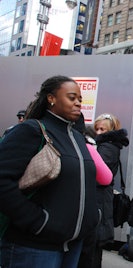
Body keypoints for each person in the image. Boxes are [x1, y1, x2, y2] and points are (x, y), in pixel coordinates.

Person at [0, 75, 99, 267]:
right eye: (72, 98)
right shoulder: (32, 130)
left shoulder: (78, 138)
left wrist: (93, 217)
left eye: (80, 99)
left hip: (72, 246)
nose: (78, 103)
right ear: (51, 98)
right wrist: (37, 221)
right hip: (34, 247)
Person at [78, 113, 129, 268]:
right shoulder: (109, 145)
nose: (99, 132)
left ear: (111, 130)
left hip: (99, 197)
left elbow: (96, 173)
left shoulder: (106, 148)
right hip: (101, 197)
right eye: (97, 128)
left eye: (103, 129)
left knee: (93, 246)